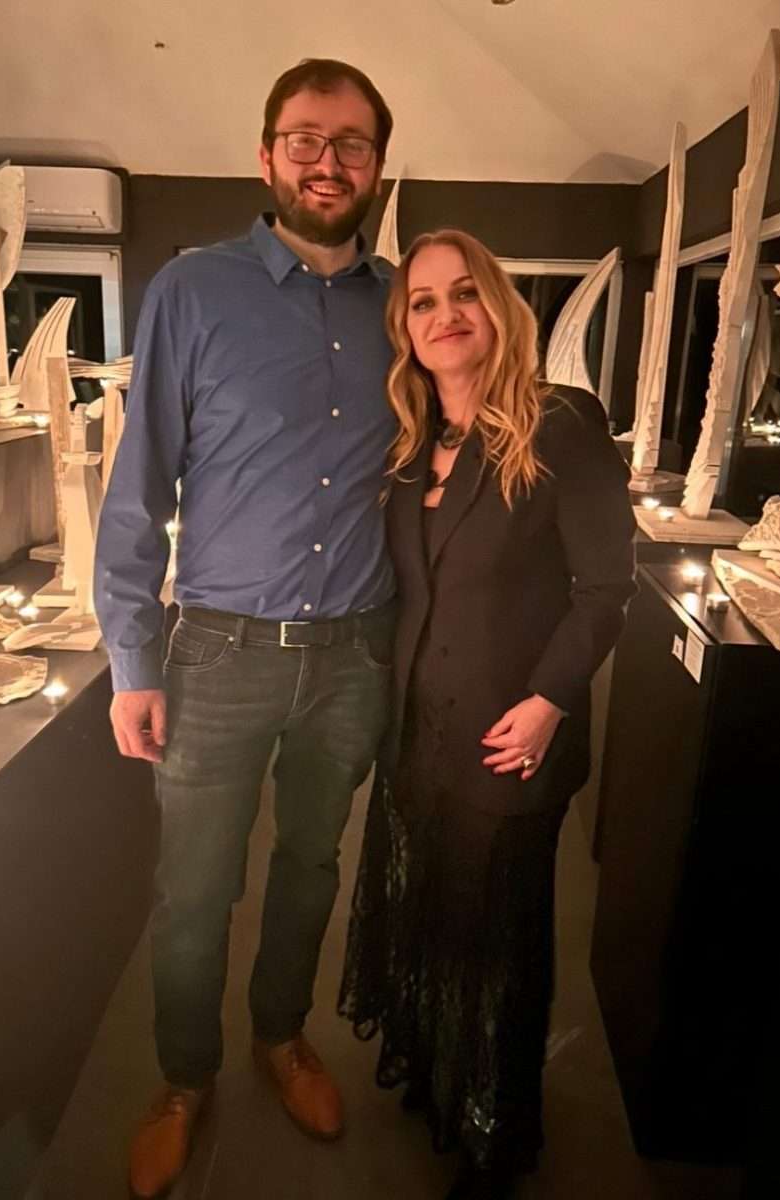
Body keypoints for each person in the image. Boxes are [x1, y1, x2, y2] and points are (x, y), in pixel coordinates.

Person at [94, 59, 397, 1200]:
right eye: (305, 139)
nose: (328, 161)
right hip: (216, 650)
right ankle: (184, 1078)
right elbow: (139, 488)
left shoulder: (403, 306)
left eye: (352, 142)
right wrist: (132, 660)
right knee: (192, 893)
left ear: (377, 164)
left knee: (312, 865)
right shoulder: (191, 289)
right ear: (266, 155)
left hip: (354, 652)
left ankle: (281, 1034)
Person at [338, 229, 637, 1199]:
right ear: (405, 329)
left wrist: (550, 700)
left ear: (497, 306)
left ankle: (493, 1131)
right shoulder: (408, 446)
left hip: (511, 736)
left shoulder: (560, 424)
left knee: (496, 941)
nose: (444, 314)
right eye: (422, 302)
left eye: (463, 292)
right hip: (418, 732)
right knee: (432, 916)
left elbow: (605, 588)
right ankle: (440, 1076)